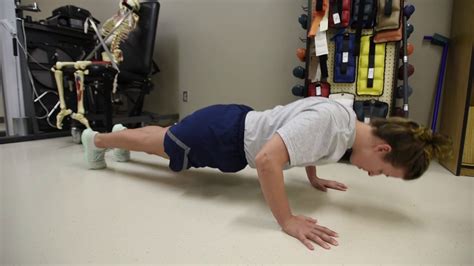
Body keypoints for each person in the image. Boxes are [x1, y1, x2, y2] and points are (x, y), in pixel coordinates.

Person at [81, 97, 452, 250]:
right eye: (385, 173)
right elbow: (266, 161)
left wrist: (313, 176)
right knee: (162, 143)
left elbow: (305, 138)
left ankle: (113, 140)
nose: (374, 177)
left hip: (233, 126)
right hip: (223, 136)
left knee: (164, 141)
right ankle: (95, 140)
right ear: (383, 149)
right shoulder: (331, 124)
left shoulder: (346, 122)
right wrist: (287, 220)